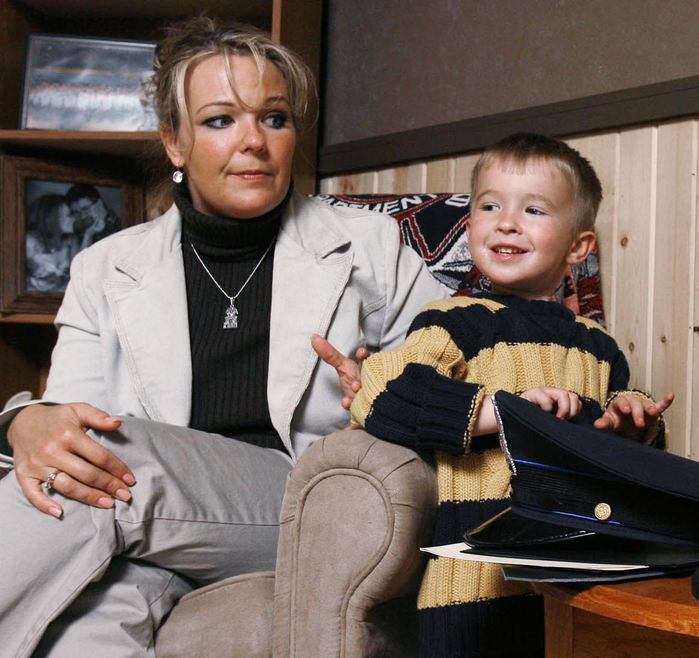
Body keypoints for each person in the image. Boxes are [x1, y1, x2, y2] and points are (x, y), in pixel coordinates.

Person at [0, 16, 446, 656]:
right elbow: (62, 434)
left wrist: (384, 400)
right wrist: (25, 422)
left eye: (274, 117)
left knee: (111, 463)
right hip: (157, 533)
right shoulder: (105, 266)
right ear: (174, 142)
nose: (254, 142)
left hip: (303, 510)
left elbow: (462, 368)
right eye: (219, 121)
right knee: (85, 629)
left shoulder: (372, 249)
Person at [350, 133, 675, 657]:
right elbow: (381, 388)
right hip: (475, 585)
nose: (507, 222)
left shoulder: (601, 348)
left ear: (577, 247)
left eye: (534, 210)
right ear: (471, 223)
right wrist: (497, 412)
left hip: (582, 575)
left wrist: (635, 422)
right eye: (490, 205)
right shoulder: (455, 320)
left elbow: (634, 468)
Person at [24, 193, 78, 292]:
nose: (74, 219)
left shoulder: (71, 241)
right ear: (52, 218)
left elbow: (79, 275)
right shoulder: (29, 242)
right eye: (69, 215)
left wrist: (88, 234)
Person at [65, 183, 121, 248]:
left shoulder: (120, 226)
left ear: (99, 203)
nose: (83, 216)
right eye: (77, 213)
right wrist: (88, 234)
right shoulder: (77, 233)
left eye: (86, 208)